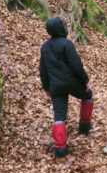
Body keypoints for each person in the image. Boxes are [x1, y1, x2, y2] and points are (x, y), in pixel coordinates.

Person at [39, 17, 94, 158]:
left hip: (56, 86)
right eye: (63, 25)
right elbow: (76, 65)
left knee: (59, 116)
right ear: (60, 28)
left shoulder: (45, 47)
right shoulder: (67, 44)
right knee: (87, 96)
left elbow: (43, 70)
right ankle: (84, 127)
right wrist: (85, 81)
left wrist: (46, 87)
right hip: (72, 83)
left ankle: (60, 149)